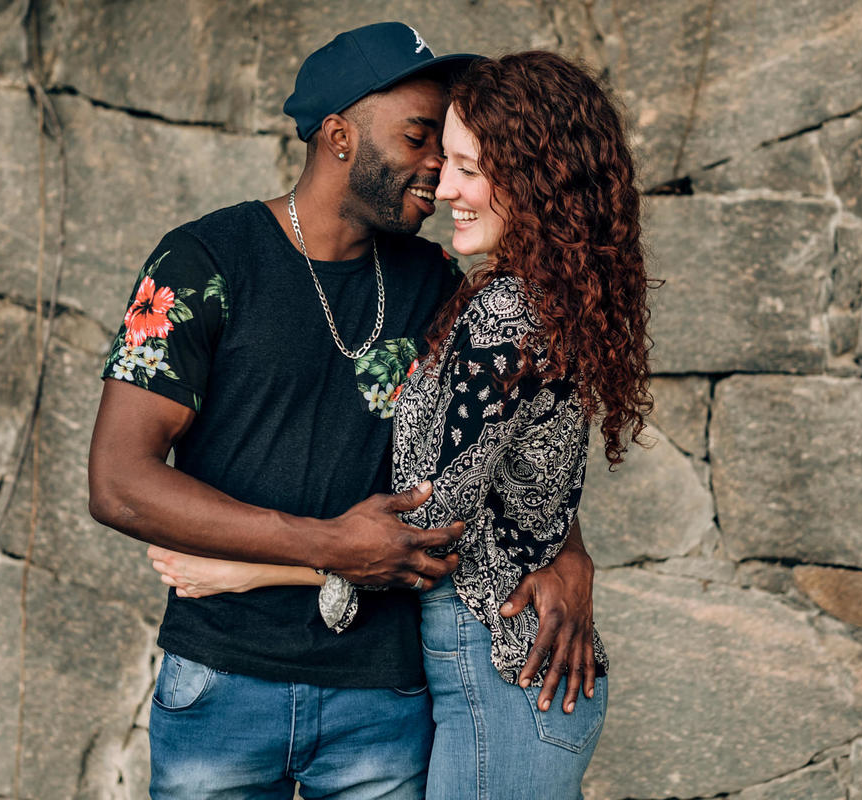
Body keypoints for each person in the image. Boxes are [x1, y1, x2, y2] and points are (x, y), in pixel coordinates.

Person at [87, 23, 601, 800]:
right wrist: (329, 545)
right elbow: (119, 483)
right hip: (223, 678)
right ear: (338, 136)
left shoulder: (438, 280)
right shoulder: (202, 264)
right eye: (420, 136)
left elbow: (517, 444)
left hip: (383, 697)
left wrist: (567, 553)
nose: (439, 166)